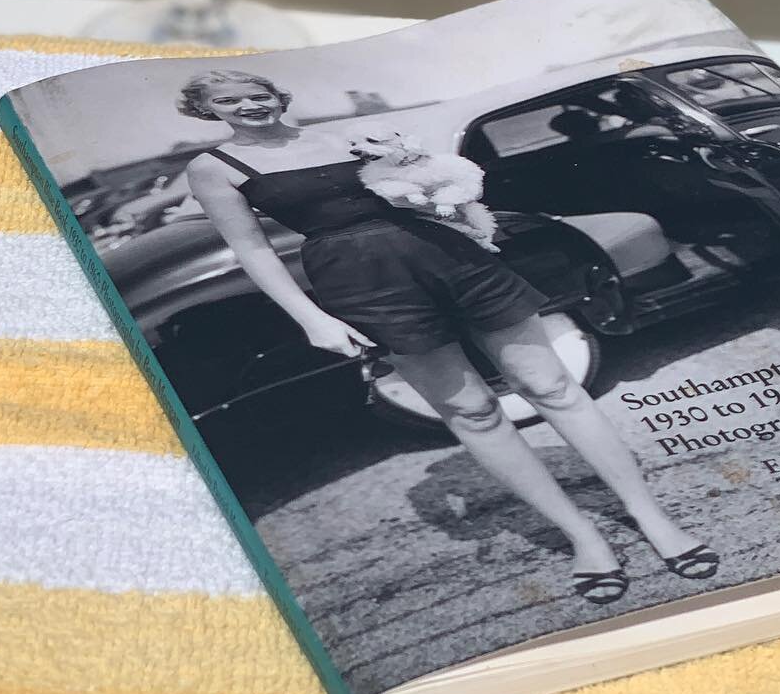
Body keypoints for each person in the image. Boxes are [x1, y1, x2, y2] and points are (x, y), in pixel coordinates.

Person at [179, 68, 718, 605]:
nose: (250, 105)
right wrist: (311, 319)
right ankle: (584, 537)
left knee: (553, 388)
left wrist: (455, 206)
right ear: (208, 111)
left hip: (453, 259)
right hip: (360, 282)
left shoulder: (345, 134)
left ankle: (652, 517)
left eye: (258, 94)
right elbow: (253, 250)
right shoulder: (212, 168)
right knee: (473, 413)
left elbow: (429, 180)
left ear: (278, 95)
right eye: (230, 100)